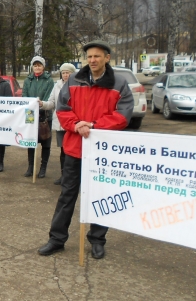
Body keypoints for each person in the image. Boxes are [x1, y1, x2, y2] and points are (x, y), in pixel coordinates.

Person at [37, 40, 133, 260]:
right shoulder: (74, 80)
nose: (92, 60)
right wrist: (76, 125)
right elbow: (63, 109)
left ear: (107, 58)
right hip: (75, 149)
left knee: (99, 197)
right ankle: (56, 239)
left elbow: (122, 115)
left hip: (102, 152)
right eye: (89, 57)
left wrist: (94, 126)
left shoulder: (119, 83)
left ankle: (97, 240)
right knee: (67, 195)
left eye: (97, 56)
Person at [41, 63, 76, 185]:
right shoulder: (57, 85)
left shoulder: (77, 85)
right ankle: (63, 176)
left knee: (73, 152)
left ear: (72, 73)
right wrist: (42, 104)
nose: (65, 75)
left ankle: (72, 177)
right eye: (63, 73)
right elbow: (52, 103)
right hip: (61, 124)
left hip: (73, 124)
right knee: (63, 151)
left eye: (68, 72)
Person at [22, 56, 55, 178]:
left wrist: (41, 105)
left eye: (39, 65)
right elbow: (24, 95)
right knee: (31, 141)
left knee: (45, 142)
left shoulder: (48, 80)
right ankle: (31, 167)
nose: (37, 67)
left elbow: (49, 97)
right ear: (32, 67)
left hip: (45, 114)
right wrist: (30, 106)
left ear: (43, 67)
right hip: (30, 114)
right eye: (35, 65)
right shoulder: (28, 80)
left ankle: (43, 168)